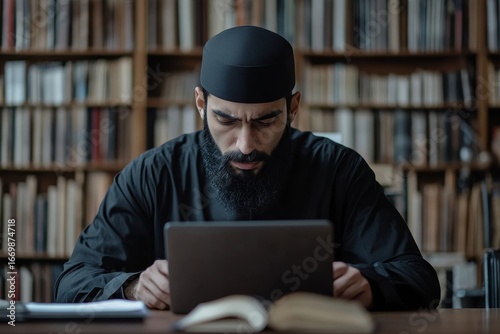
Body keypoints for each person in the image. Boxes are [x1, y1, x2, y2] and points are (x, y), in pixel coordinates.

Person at [55, 26, 441, 311]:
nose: (245, 144)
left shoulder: (338, 169)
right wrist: (134, 286)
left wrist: (370, 284)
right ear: (200, 104)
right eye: (226, 121)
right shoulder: (153, 174)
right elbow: (72, 282)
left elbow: (419, 278)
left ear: (292, 108)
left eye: (265, 122)